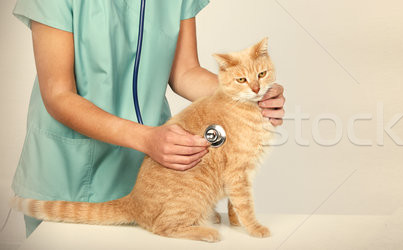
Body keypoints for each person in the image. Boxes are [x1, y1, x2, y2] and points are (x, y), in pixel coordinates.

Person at [11, 0, 286, 236]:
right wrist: (147, 138)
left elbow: (185, 72)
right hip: (68, 175)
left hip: (152, 180)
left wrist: (247, 95)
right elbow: (58, 94)